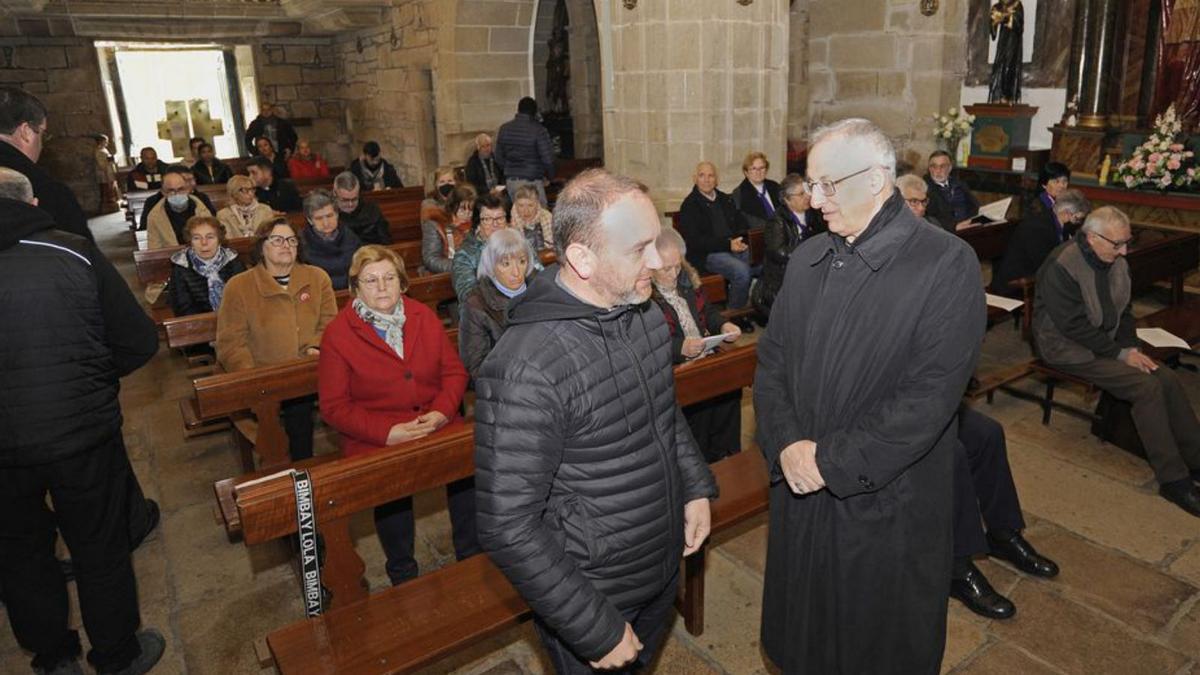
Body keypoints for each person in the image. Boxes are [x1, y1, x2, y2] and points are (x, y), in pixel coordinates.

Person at [754, 118, 986, 673]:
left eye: (827, 185)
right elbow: (772, 364)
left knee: (872, 644)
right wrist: (787, 446)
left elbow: (926, 400)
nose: (814, 201)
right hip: (802, 487)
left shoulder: (944, 264)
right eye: (811, 185)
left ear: (878, 181)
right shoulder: (809, 261)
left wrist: (828, 462)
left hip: (885, 499)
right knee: (802, 638)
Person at [475, 169, 717, 672]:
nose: (657, 261)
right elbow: (508, 524)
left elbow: (663, 413)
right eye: (638, 249)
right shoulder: (526, 366)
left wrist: (694, 486)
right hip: (594, 592)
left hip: (658, 561)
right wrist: (592, 626)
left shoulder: (644, 313)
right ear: (582, 259)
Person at [0, 167, 165, 675]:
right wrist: (89, 379)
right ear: (31, 205)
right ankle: (116, 654)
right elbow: (137, 340)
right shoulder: (71, 250)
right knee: (100, 544)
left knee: (20, 552)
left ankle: (52, 657)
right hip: (83, 434)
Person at [318, 245, 478, 585]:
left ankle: (471, 554)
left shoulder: (422, 315)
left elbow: (454, 373)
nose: (382, 287)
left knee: (468, 469)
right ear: (355, 286)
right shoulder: (338, 334)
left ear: (402, 282)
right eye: (371, 280)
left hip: (434, 421)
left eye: (390, 277)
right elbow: (333, 406)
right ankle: (403, 572)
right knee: (391, 492)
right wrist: (387, 432)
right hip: (378, 434)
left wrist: (440, 413)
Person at [1033, 206, 1200, 516]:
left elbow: (1124, 313)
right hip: (1066, 347)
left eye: (1127, 242)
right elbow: (1073, 326)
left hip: (1105, 343)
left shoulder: (1115, 261)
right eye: (1117, 244)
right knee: (1145, 387)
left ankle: (1196, 459)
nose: (1124, 251)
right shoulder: (1062, 264)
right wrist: (1121, 355)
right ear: (1092, 238)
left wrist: (1132, 350)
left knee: (1164, 376)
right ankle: (1174, 480)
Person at [216, 218, 337, 461]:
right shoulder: (239, 286)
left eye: (292, 240)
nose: (286, 245)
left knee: (301, 412)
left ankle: (306, 470)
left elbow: (330, 323)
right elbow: (232, 342)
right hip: (262, 373)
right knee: (269, 429)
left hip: (307, 367)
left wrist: (316, 345)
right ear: (262, 247)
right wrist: (252, 377)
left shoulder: (317, 277)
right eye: (277, 240)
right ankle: (276, 477)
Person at [950, 406, 1060, 620]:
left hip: (917, 397)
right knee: (951, 455)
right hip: (877, 410)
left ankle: (1002, 533)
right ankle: (956, 568)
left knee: (987, 432)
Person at [651, 227, 743, 463]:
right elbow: (646, 342)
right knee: (701, 403)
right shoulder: (645, 298)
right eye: (665, 269)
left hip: (704, 354)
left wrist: (723, 326)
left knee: (731, 390)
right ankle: (703, 461)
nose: (673, 274)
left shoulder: (687, 279)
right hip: (675, 367)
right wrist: (679, 348)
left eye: (677, 265)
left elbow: (708, 313)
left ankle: (728, 456)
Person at [0, 87, 92, 241]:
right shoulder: (47, 191)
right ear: (26, 131)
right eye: (43, 133)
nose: (42, 145)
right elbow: (81, 258)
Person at [677, 161, 754, 326]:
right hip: (707, 255)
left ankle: (744, 308)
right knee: (742, 272)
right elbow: (695, 241)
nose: (707, 180)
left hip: (731, 248)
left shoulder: (725, 199)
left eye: (711, 175)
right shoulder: (690, 205)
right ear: (695, 179)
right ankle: (734, 316)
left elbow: (741, 223)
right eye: (702, 175)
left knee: (758, 262)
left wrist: (740, 240)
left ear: (716, 179)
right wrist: (728, 244)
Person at [458, 228, 536, 377]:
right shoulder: (476, 305)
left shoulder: (542, 288)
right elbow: (475, 369)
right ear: (491, 267)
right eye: (506, 264)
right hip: (507, 384)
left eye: (522, 261)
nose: (516, 272)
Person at [990, 188, 1090, 296]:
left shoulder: (1057, 223)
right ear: (1066, 214)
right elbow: (1044, 265)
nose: (1078, 223)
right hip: (1017, 285)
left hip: (1037, 277)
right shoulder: (1038, 229)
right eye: (1077, 219)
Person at [753, 172, 826, 317]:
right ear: (787, 199)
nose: (807, 197)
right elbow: (778, 252)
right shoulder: (777, 221)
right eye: (801, 194)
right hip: (782, 278)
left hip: (808, 270)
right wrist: (808, 252)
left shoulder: (815, 215)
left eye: (807, 192)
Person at [167, 215, 246, 317]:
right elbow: (183, 309)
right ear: (190, 241)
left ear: (219, 239)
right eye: (196, 238)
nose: (204, 243)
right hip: (198, 325)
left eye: (210, 237)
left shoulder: (233, 261)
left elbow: (246, 298)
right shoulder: (181, 267)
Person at [494, 97, 555, 206]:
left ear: (518, 109)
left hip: (512, 181)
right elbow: (548, 159)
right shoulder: (538, 130)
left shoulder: (504, 129)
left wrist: (510, 169)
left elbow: (498, 157)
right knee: (539, 216)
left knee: (519, 215)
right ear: (534, 112)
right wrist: (550, 177)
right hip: (533, 181)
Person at [300, 188, 362, 290]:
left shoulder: (352, 239)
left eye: (329, 216)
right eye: (319, 218)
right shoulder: (301, 245)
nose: (326, 223)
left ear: (337, 214)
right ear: (309, 220)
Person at [452, 192, 509, 301]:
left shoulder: (518, 244)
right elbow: (468, 295)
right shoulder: (464, 255)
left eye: (500, 218)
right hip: (484, 312)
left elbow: (538, 275)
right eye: (487, 219)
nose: (495, 224)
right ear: (477, 224)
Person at [145, 165, 215, 249]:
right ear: (163, 192)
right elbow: (154, 249)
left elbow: (213, 239)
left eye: (181, 189)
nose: (176, 194)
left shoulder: (201, 208)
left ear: (188, 189)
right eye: (171, 191)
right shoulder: (155, 216)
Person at [424, 184, 475, 275]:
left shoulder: (476, 224)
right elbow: (431, 259)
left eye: (471, 210)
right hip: (447, 275)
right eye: (462, 209)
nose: (468, 214)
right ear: (452, 207)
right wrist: (460, 266)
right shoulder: (436, 224)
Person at [925, 150, 980, 232]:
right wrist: (954, 227)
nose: (938, 170)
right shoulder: (924, 188)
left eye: (942, 166)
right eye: (934, 166)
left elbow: (974, 205)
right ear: (929, 168)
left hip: (969, 228)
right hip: (946, 233)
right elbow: (928, 218)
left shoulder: (959, 183)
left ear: (950, 168)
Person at [333, 171, 392, 245]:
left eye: (354, 199)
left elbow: (385, 240)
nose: (350, 204)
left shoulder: (372, 210)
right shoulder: (328, 213)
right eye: (345, 200)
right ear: (335, 194)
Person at [732, 150, 783, 231]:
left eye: (762, 168)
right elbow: (742, 224)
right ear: (746, 172)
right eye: (753, 169)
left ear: (766, 170)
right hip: (758, 237)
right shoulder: (739, 194)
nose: (758, 172)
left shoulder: (774, 186)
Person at [988, 0, 1024, 104]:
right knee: (1000, 64)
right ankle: (997, 95)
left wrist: (1008, 17)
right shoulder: (998, 6)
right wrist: (994, 20)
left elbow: (1020, 25)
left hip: (1013, 40)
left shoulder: (1017, 4)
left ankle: (1007, 95)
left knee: (1009, 65)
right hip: (1003, 39)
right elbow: (993, 31)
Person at [217, 175, 275, 239]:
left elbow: (270, 236)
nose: (251, 194)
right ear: (234, 193)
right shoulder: (223, 215)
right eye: (245, 190)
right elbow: (229, 240)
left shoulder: (265, 210)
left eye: (252, 189)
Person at [510, 183, 553, 251]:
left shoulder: (548, 218)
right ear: (516, 205)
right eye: (521, 206)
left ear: (537, 204)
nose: (526, 211)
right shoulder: (512, 224)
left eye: (530, 205)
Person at [94, 134, 120, 214]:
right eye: (105, 141)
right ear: (101, 141)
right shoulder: (98, 151)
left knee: (112, 188)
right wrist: (108, 160)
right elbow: (101, 163)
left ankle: (113, 202)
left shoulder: (104, 150)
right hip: (104, 173)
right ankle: (109, 205)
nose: (107, 143)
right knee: (107, 189)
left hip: (109, 171)